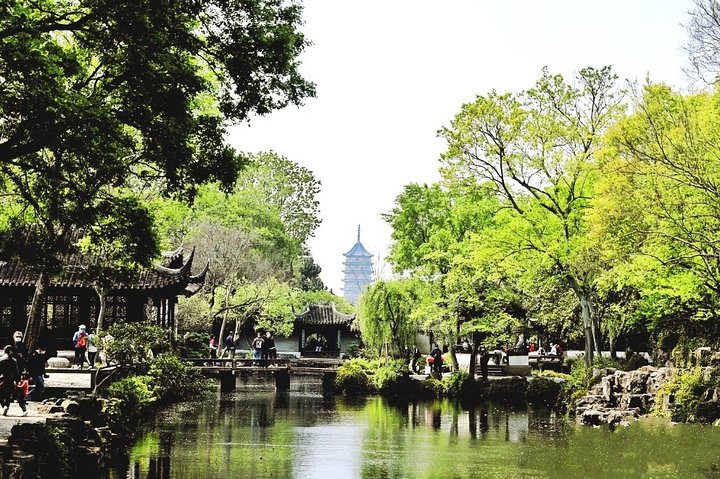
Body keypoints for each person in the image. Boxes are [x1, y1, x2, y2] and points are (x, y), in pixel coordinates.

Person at [0, 346, 26, 416]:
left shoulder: (1, 359)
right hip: (11, 380)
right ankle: (7, 407)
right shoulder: (14, 360)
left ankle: (4, 406)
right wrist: (17, 380)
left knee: (1, 394)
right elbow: (16, 372)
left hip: (2, 379)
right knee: (8, 395)